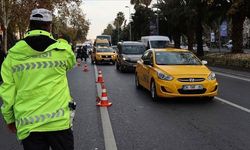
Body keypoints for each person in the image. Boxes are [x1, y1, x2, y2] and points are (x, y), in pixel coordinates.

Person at [0, 8, 76, 150]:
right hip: (58, 123)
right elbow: (71, 61)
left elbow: (7, 90)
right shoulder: (62, 51)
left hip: (29, 124)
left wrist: (9, 119)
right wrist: (62, 41)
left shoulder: (13, 55)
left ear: (30, 25)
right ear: (49, 26)